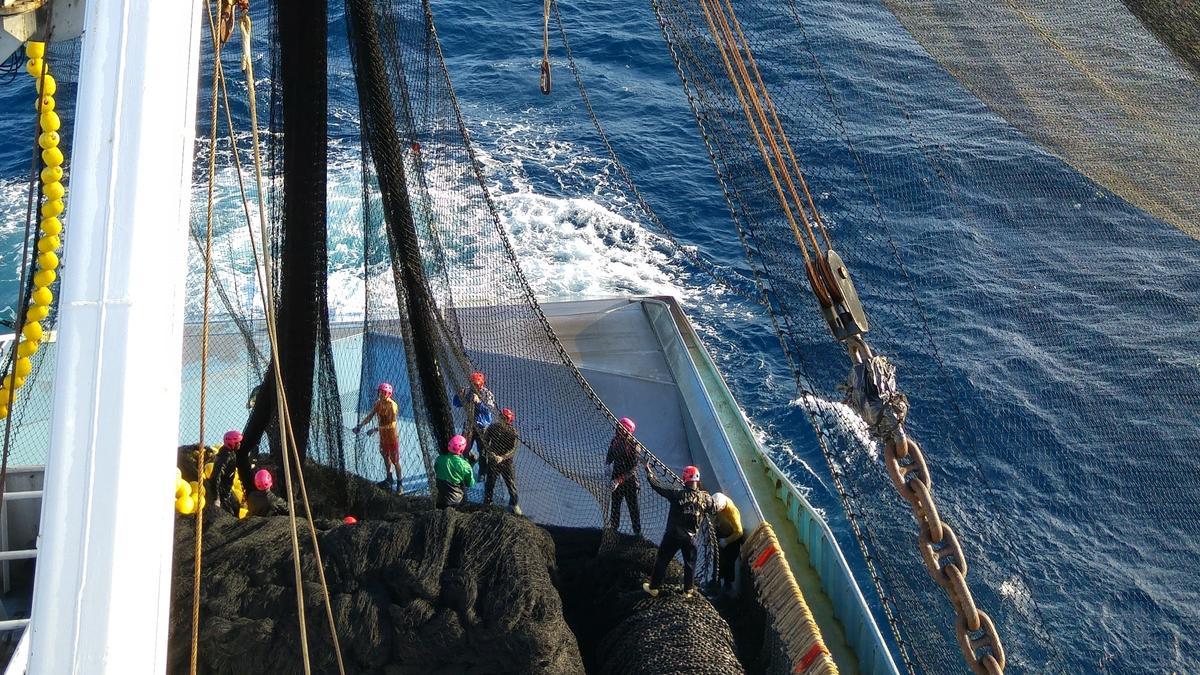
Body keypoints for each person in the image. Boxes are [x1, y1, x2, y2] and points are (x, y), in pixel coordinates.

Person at [642, 464, 717, 598]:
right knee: (690, 564)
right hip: (691, 538)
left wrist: (649, 473)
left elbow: (658, 487)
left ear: (684, 478)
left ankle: (653, 588)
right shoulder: (705, 498)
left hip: (673, 535)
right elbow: (714, 509)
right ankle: (688, 591)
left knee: (662, 559)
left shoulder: (677, 494)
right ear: (697, 480)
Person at [354, 382, 403, 494]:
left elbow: (392, 425)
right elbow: (370, 416)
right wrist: (360, 425)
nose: (381, 394)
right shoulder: (378, 403)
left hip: (392, 437)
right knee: (385, 456)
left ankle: (400, 483)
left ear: (388, 394)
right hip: (383, 437)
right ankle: (389, 478)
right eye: (380, 392)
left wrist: (375, 430)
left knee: (395, 461)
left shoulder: (392, 406)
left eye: (383, 392)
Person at [606, 417, 642, 537]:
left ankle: (637, 534)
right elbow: (610, 454)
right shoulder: (615, 441)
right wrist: (607, 465)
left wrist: (618, 480)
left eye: (620, 428)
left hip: (629, 483)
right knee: (615, 507)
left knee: (633, 509)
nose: (618, 430)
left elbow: (632, 469)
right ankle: (614, 531)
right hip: (616, 479)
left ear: (627, 431)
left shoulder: (634, 446)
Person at [452, 372, 495, 471]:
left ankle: (482, 472)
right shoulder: (467, 391)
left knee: (483, 452)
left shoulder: (487, 394)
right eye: (472, 383)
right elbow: (456, 404)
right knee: (463, 449)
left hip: (482, 427)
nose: (473, 386)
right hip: (469, 425)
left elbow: (489, 410)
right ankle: (470, 462)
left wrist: (479, 402)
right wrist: (459, 395)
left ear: (481, 383)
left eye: (475, 384)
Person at [482, 407, 522, 515]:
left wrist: (502, 458)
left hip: (506, 462)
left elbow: (513, 450)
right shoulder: (493, 427)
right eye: (502, 417)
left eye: (505, 418)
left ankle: (514, 504)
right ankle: (488, 503)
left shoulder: (513, 433)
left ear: (509, 421)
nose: (503, 419)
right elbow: (485, 440)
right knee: (490, 483)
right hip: (493, 459)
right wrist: (491, 453)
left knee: (511, 484)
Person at [711, 492, 743, 595]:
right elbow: (716, 517)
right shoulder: (717, 504)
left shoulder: (732, 512)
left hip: (732, 539)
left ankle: (727, 586)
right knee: (718, 559)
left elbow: (739, 532)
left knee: (729, 563)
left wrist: (726, 541)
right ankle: (716, 581)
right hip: (721, 533)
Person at [435, 434, 476, 508]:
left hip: (440, 500)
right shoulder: (465, 465)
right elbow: (470, 483)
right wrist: (471, 464)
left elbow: (437, 470)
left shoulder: (439, 459)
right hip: (456, 502)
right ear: (462, 450)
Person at [209, 430, 243, 515]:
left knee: (236, 506)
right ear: (231, 443)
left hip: (227, 489)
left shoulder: (230, 453)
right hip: (221, 491)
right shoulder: (225, 456)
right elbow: (216, 476)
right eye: (237, 442)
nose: (239, 444)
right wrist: (216, 498)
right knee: (229, 513)